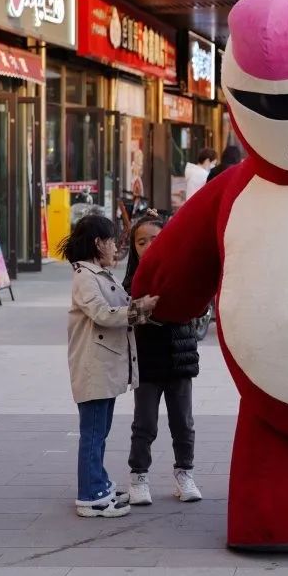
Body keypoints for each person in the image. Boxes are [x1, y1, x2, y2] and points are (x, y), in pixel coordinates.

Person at [61, 214, 159, 518]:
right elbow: (103, 313)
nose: (116, 247)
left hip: (103, 368)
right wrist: (137, 309)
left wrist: (139, 306)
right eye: (112, 241)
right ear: (98, 243)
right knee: (92, 433)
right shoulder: (85, 277)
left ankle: (98, 483)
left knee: (98, 432)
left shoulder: (99, 274)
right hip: (93, 369)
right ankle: (90, 496)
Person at [121, 215, 202, 506]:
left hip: (180, 356)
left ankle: (185, 473)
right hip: (146, 359)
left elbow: (197, 302)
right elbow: (124, 316)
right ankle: (138, 477)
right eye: (142, 242)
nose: (149, 246)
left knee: (183, 421)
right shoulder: (131, 281)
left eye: (156, 239)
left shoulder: (182, 272)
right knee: (145, 422)